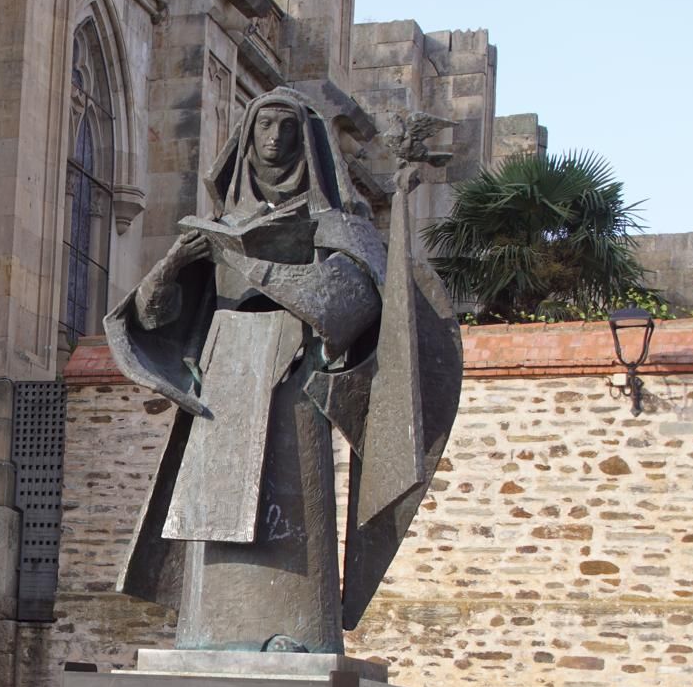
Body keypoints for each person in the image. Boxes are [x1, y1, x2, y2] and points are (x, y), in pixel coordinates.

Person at [104, 86, 457, 654]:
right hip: (223, 382)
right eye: (263, 127)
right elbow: (155, 316)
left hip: (291, 382)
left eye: (285, 128)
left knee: (291, 509)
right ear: (245, 142)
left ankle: (295, 631)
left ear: (305, 142)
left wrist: (247, 261)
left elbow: (344, 304)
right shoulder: (214, 227)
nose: (273, 139)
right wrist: (174, 263)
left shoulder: (333, 224)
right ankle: (206, 632)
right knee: (213, 516)